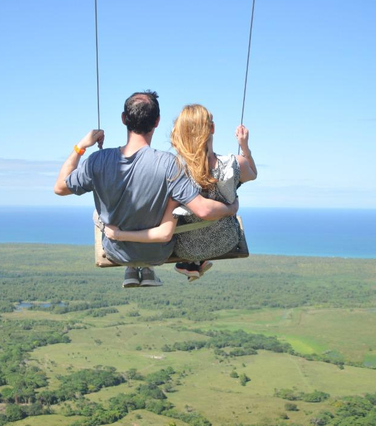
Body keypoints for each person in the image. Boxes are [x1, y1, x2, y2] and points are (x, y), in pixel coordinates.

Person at [54, 91, 239, 288]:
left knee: (98, 214)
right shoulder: (169, 164)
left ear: (124, 119)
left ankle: (132, 269)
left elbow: (60, 188)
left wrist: (81, 146)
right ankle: (149, 269)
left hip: (117, 251)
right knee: (171, 207)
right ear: (157, 121)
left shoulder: (98, 161)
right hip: (157, 252)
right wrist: (231, 208)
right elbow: (204, 210)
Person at [103, 104, 257, 280]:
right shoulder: (235, 164)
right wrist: (245, 148)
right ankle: (195, 264)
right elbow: (253, 174)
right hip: (227, 241)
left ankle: (177, 264)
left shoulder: (175, 171)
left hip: (187, 248)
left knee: (173, 214)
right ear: (212, 128)